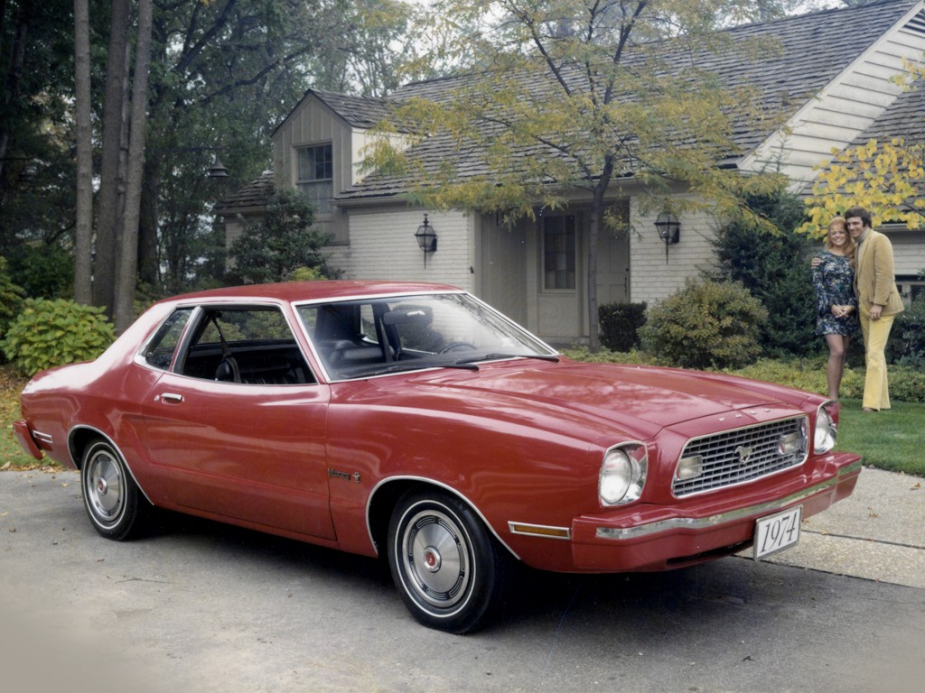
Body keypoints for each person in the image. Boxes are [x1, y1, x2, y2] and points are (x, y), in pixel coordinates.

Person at [844, 206, 904, 412]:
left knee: (874, 353)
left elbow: (885, 274)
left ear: (866, 223)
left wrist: (878, 303)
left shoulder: (879, 240)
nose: (852, 227)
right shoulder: (859, 244)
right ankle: (883, 401)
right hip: (865, 305)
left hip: (882, 307)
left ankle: (870, 404)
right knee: (873, 352)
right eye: (849, 224)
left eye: (855, 223)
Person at [812, 217, 859, 400]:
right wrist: (831, 306)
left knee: (843, 353)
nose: (837, 236)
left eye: (841, 232)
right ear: (829, 236)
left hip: (848, 310)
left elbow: (859, 284)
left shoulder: (854, 256)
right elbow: (818, 286)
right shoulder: (820, 258)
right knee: (836, 351)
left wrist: (852, 306)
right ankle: (831, 398)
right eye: (834, 233)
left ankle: (836, 395)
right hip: (828, 312)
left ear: (847, 234)